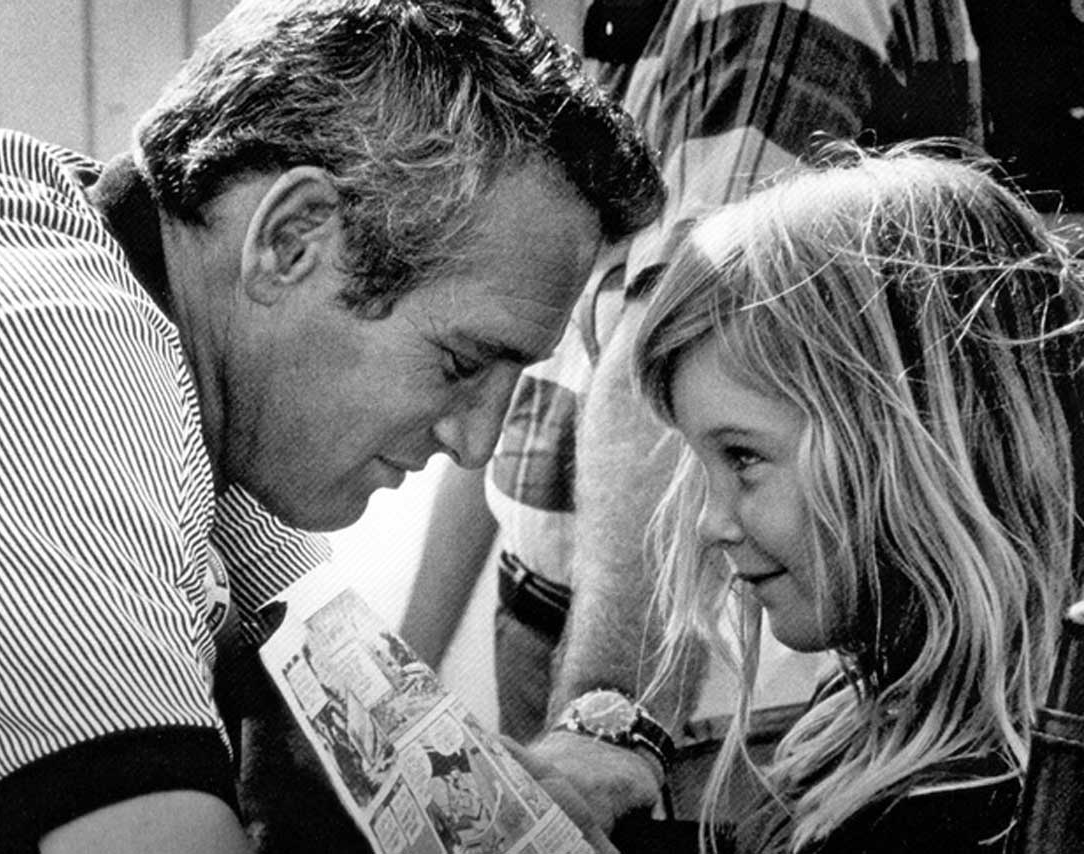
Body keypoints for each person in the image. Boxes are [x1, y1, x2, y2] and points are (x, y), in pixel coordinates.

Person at [0, 1, 663, 852]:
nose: (476, 445)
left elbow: (384, 758)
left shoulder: (170, 320)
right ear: (291, 240)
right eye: (462, 362)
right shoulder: (24, 384)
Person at [401, 0, 983, 820]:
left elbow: (682, 331)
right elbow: (517, 375)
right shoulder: (621, 25)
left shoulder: (774, 12)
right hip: (559, 614)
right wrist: (408, 669)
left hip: (701, 672)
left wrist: (614, 720)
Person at [621, 141, 1083, 852]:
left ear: (917, 447)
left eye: (743, 457)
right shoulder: (880, 696)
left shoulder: (951, 821)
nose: (711, 524)